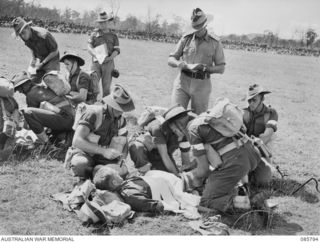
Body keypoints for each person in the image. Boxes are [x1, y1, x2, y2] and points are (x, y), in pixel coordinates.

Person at [162, 105, 261, 212]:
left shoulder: (192, 131)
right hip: (252, 153)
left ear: (178, 125)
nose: (175, 134)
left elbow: (203, 170)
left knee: (207, 201)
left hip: (237, 161)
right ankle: (246, 193)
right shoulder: (204, 119)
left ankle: (250, 202)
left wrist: (192, 179)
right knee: (217, 183)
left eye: (173, 130)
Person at [69, 84, 134, 179]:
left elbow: (124, 143)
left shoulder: (121, 121)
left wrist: (121, 159)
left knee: (123, 171)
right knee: (80, 165)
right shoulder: (93, 113)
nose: (121, 112)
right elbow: (77, 141)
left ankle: (98, 172)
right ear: (111, 103)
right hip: (86, 153)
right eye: (118, 108)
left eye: (123, 108)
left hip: (106, 159)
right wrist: (103, 151)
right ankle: (98, 173)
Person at [168, 8, 225, 115]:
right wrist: (178, 63)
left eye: (199, 28)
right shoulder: (186, 38)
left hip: (202, 86)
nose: (196, 30)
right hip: (182, 82)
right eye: (195, 28)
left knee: (198, 120)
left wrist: (206, 68)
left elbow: (221, 68)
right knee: (174, 115)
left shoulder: (215, 43)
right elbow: (170, 59)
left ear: (205, 25)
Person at [129, 105, 195, 176]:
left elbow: (185, 155)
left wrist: (187, 173)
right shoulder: (158, 128)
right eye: (174, 129)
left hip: (162, 153)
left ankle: (155, 168)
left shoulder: (185, 129)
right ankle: (145, 172)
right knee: (138, 148)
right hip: (148, 152)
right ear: (172, 124)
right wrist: (177, 176)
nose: (174, 130)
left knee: (169, 177)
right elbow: (164, 156)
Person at [12, 71, 74, 144]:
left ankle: (47, 144)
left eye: (20, 87)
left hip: (66, 120)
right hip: (71, 119)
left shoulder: (31, 95)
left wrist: (20, 124)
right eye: (17, 89)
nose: (19, 91)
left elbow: (32, 120)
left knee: (28, 113)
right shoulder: (42, 87)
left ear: (28, 83)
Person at [243, 84, 278, 186]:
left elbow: (266, 137)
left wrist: (254, 143)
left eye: (254, 100)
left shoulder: (271, 113)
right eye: (249, 100)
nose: (251, 103)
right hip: (245, 148)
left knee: (263, 182)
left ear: (262, 99)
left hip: (262, 149)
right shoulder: (243, 112)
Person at [12, 17, 60, 84]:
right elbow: (31, 47)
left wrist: (43, 63)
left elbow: (55, 51)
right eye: (20, 34)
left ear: (28, 27)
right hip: (39, 59)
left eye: (23, 32)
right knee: (32, 81)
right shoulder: (25, 36)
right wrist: (34, 58)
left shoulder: (44, 35)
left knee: (51, 81)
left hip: (52, 58)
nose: (22, 36)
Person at [87, 12, 120, 97]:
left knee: (106, 88)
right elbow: (89, 47)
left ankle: (105, 107)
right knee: (92, 85)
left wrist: (110, 58)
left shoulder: (113, 35)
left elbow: (116, 50)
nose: (102, 24)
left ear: (108, 22)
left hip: (108, 63)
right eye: (101, 22)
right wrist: (95, 55)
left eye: (104, 22)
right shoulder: (94, 34)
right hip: (96, 62)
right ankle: (91, 106)